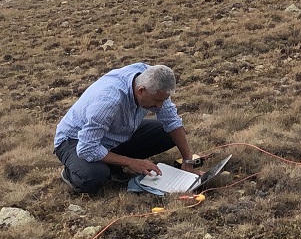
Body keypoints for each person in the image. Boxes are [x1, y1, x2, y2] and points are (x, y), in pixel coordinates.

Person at [53, 63, 199, 194]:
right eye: (157, 101)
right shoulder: (109, 100)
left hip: (114, 133)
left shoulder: (151, 78)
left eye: (163, 100)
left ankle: (110, 162)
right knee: (93, 177)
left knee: (169, 133)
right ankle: (72, 171)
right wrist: (131, 162)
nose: (159, 106)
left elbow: (171, 121)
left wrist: (188, 160)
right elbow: (87, 148)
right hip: (76, 140)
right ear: (141, 91)